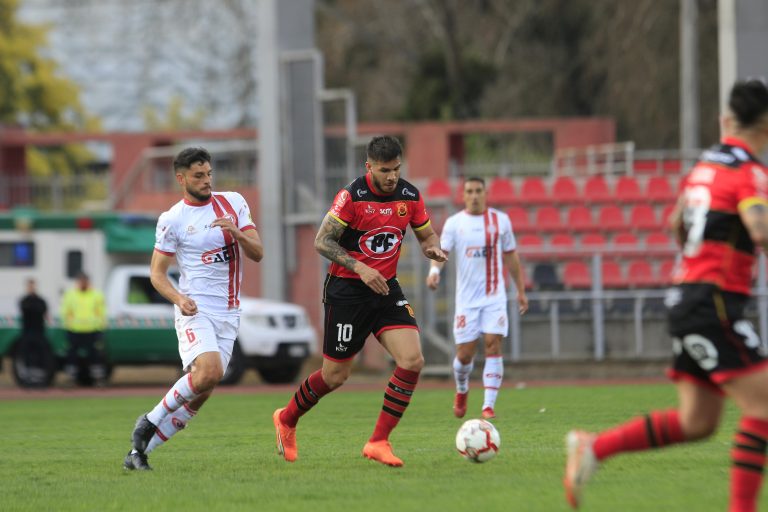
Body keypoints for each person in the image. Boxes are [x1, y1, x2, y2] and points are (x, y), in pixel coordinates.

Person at [564, 79, 768, 511]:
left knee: (698, 422)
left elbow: (676, 221)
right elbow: (760, 230)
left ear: (728, 119)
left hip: (686, 297)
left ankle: (594, 448)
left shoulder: (705, 167)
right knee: (763, 406)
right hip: (713, 301)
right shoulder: (749, 172)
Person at [272, 135, 447, 467]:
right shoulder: (351, 196)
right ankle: (287, 418)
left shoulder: (409, 195)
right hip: (347, 289)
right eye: (385, 170)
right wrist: (360, 267)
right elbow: (322, 241)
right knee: (335, 376)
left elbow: (426, 235)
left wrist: (432, 249)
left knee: (412, 360)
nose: (392, 176)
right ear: (369, 166)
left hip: (385, 289)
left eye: (396, 169)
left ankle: (379, 441)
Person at [123, 146, 263, 471]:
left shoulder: (234, 203)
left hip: (229, 313)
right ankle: (150, 419)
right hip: (194, 308)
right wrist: (179, 299)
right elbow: (157, 274)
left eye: (209, 174)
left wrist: (237, 232)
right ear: (181, 178)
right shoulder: (172, 219)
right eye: (199, 176)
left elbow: (258, 253)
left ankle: (139, 453)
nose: (207, 181)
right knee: (210, 372)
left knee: (203, 388)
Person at [426, 177, 528, 420]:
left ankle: (488, 406)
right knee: (464, 355)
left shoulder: (500, 221)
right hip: (467, 301)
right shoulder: (454, 224)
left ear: (485, 193)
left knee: (493, 344)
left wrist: (520, 290)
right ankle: (462, 389)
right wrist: (433, 272)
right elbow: (441, 253)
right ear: (463, 195)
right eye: (469, 191)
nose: (474, 195)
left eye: (478, 191)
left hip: (494, 297)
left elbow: (511, 258)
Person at [61, 272, 107, 386]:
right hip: (74, 330)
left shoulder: (96, 295)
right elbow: (65, 311)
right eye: (81, 281)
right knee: (72, 356)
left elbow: (102, 312)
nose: (83, 283)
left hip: (92, 330)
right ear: (78, 282)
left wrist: (100, 328)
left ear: (88, 282)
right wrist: (67, 326)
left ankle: (98, 379)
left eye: (85, 281)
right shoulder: (71, 295)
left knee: (95, 356)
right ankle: (71, 379)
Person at [15, 278, 54, 387]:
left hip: (39, 333)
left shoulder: (41, 300)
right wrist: (34, 309)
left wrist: (33, 309)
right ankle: (27, 380)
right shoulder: (24, 300)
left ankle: (40, 380)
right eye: (30, 286)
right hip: (27, 333)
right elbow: (26, 309)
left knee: (40, 356)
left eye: (33, 286)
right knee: (27, 356)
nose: (31, 288)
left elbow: (42, 310)